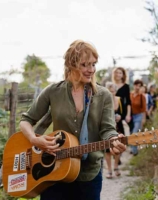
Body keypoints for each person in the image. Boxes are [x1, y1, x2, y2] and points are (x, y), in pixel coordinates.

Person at [19, 40, 126, 200]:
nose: (91, 70)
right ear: (71, 64)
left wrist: (113, 139)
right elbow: (26, 120)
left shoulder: (103, 96)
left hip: (89, 174)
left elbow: (107, 129)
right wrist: (34, 139)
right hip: (54, 172)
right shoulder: (53, 91)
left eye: (93, 64)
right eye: (85, 65)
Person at [104, 81, 124, 179]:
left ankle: (116, 166)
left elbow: (123, 113)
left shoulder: (119, 100)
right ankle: (109, 169)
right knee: (107, 150)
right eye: (110, 91)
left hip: (118, 126)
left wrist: (120, 116)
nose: (112, 93)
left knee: (118, 147)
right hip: (107, 127)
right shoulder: (104, 101)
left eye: (113, 91)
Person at [111, 67, 132, 164]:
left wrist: (128, 115)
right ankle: (114, 153)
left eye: (120, 73)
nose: (118, 75)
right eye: (117, 73)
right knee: (112, 134)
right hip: (111, 112)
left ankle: (119, 154)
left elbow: (128, 102)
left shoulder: (126, 86)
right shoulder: (111, 85)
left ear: (123, 75)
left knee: (121, 134)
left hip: (121, 112)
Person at [130, 79, 146, 156]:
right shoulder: (130, 95)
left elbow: (144, 109)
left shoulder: (141, 96)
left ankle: (134, 150)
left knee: (134, 132)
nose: (137, 87)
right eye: (136, 85)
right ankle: (132, 148)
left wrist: (143, 119)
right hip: (131, 116)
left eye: (139, 86)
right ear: (134, 85)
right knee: (130, 132)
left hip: (138, 116)